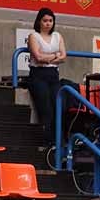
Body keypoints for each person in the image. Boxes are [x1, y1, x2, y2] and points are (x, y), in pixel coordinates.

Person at [26, 8, 68, 142]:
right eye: (45, 20)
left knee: (59, 106)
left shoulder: (57, 36)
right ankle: (45, 141)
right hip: (38, 75)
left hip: (53, 75)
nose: (48, 23)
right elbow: (38, 57)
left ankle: (59, 141)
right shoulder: (34, 36)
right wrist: (55, 56)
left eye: (50, 21)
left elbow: (64, 57)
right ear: (39, 21)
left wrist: (48, 58)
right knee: (46, 109)